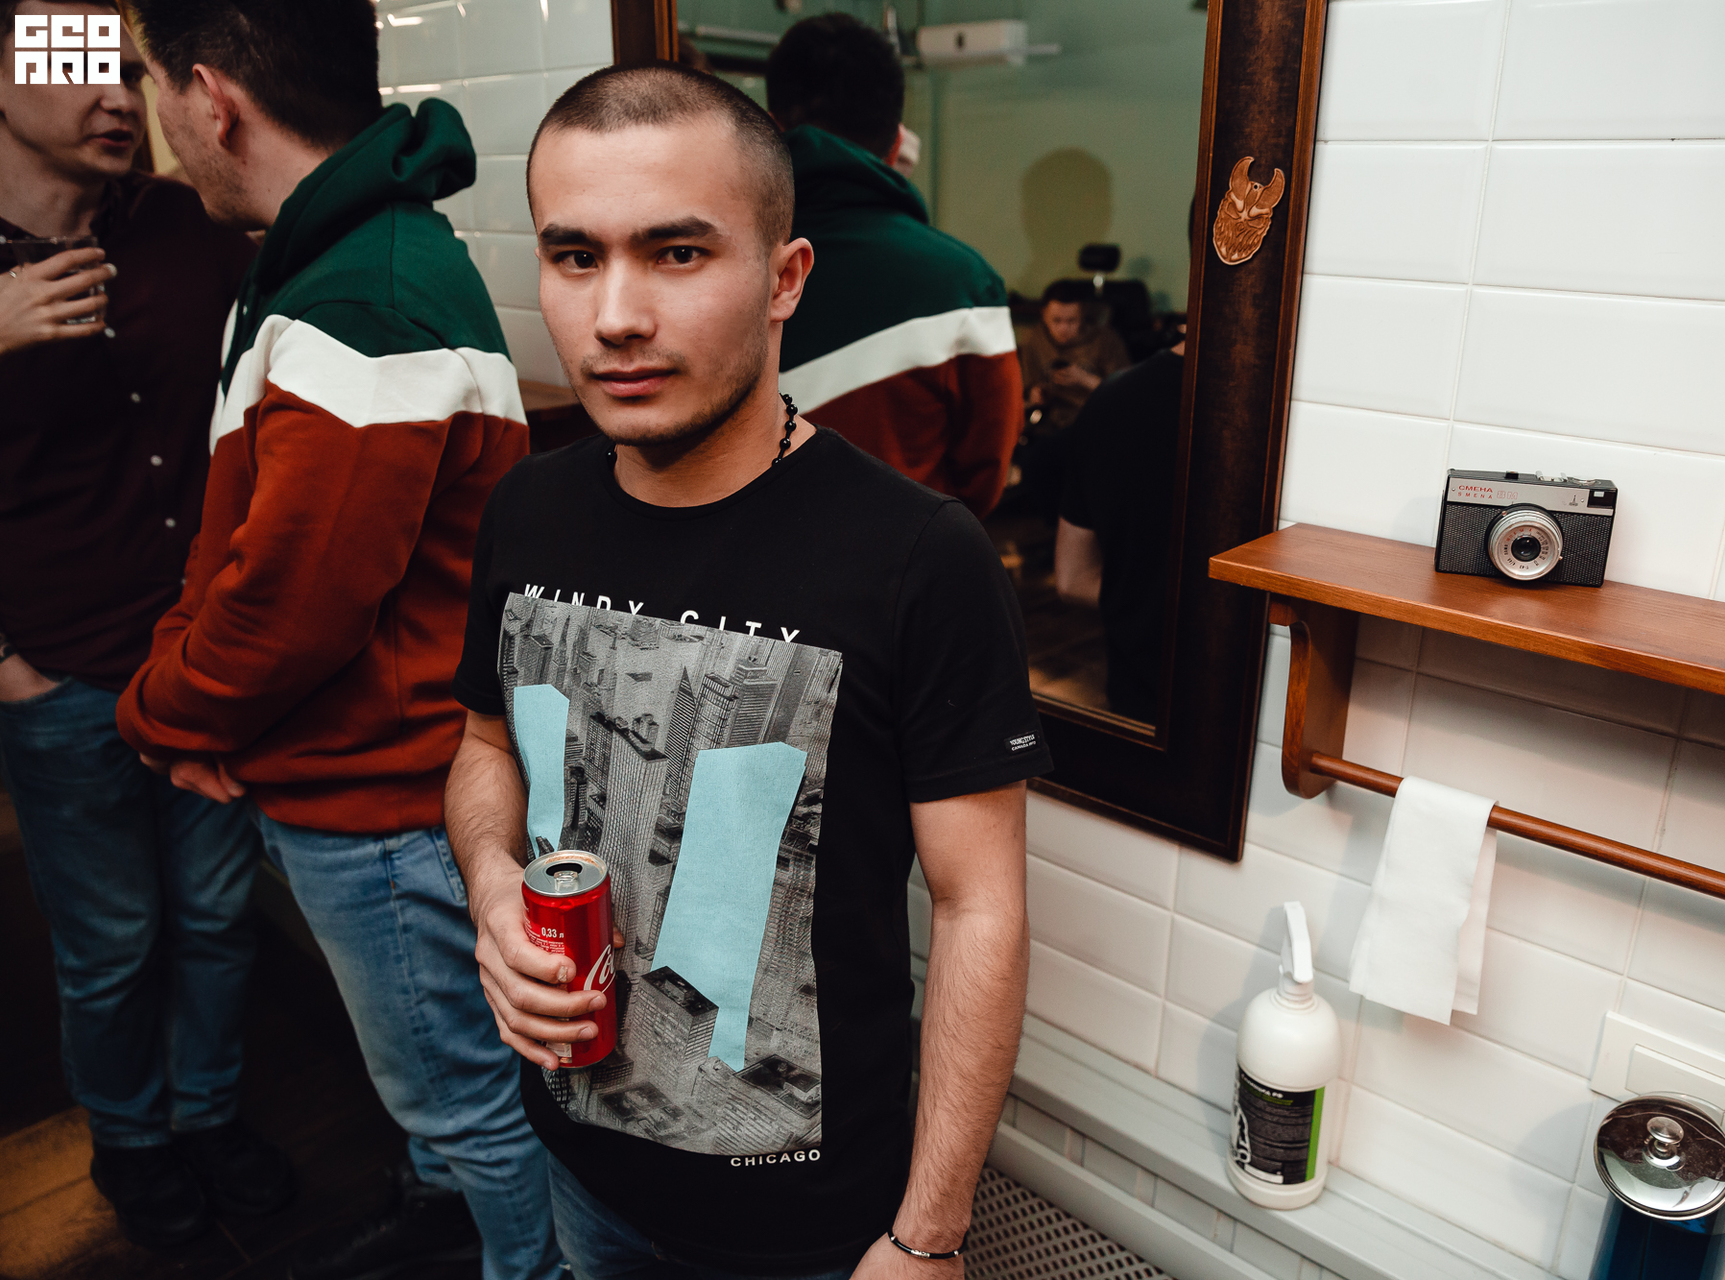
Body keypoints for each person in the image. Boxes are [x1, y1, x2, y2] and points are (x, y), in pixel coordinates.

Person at [445, 63, 1048, 1279]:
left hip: (809, 1228)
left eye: (677, 253)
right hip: (579, 1163)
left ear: (784, 277)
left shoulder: (917, 555)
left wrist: (928, 1231)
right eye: (574, 256)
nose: (616, 315)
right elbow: (484, 743)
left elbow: (979, 905)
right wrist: (493, 883)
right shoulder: (528, 509)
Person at [113, 2, 557, 1278]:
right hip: (361, 778)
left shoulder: (364, 291)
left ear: (210, 99)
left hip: (385, 801)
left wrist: (156, 714)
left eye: (146, 80)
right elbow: (250, 544)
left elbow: (285, 610)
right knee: (436, 1085)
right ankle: (443, 1208)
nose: (148, 114)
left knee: (466, 1101)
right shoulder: (323, 259)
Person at [0, 0, 284, 1248]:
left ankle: (209, 1113)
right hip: (55, 670)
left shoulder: (180, 222)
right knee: (110, 942)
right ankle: (129, 1138)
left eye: (126, 68)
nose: (117, 95)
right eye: (75, 66)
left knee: (218, 914)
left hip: (201, 650)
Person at [767, 14, 1023, 520]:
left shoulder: (714, 265)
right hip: (905, 559)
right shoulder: (962, 282)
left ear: (771, 131)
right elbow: (983, 481)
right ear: (899, 143)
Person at [1054, 336, 1186, 722]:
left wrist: (1144, 604)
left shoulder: (1113, 398)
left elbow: (1073, 579)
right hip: (1257, 705)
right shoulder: (1283, 407)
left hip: (1138, 697)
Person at [1017, 278, 1130, 436]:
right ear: (1044, 314)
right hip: (1048, 423)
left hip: (1092, 420)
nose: (1063, 329)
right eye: (1056, 320)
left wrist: (1085, 379)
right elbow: (1026, 387)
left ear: (1083, 314)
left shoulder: (1105, 340)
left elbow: (1125, 393)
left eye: (1071, 321)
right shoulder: (1034, 339)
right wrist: (1036, 393)